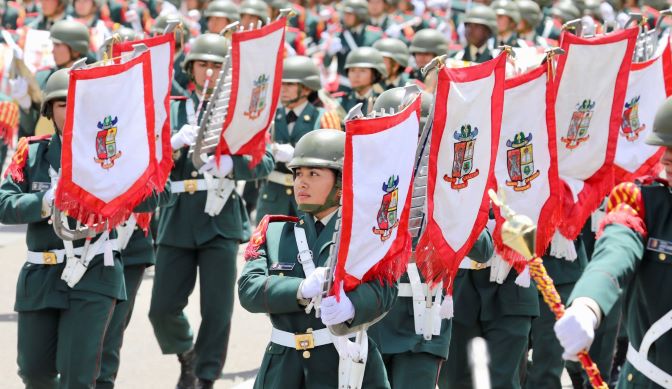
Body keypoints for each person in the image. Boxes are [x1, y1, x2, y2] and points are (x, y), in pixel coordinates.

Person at [148, 32, 274, 389]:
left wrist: (233, 166)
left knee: (217, 310)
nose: (210, 72)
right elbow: (143, 160)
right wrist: (169, 147)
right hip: (176, 214)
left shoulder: (242, 111)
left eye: (219, 66)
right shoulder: (171, 107)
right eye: (203, 64)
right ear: (191, 68)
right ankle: (186, 352)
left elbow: (262, 160)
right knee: (162, 308)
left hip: (219, 215)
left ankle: (205, 375)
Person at [238, 128, 395, 388]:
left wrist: (353, 306)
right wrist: (298, 289)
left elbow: (385, 288)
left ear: (342, 181)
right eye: (298, 173)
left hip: (343, 366)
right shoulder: (275, 232)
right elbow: (248, 290)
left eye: (313, 174)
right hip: (283, 369)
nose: (301, 182)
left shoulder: (366, 235)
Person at [0, 67, 126, 389]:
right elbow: (4, 203)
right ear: (49, 111)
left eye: (79, 104)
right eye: (62, 105)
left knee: (77, 377)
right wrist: (45, 201)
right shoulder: (32, 153)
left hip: (94, 270)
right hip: (42, 275)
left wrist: (121, 186)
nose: (71, 112)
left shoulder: (110, 153)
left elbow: (153, 197)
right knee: (34, 372)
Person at [367, 86, 495, 389]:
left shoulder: (452, 185)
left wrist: (445, 206)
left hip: (421, 322)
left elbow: (483, 249)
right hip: (369, 316)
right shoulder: (364, 179)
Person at [554, 96, 672, 388]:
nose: (666, 156)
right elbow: (616, 250)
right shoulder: (641, 201)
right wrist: (587, 304)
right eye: (665, 147)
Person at [255, 55, 338, 223]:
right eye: (282, 84)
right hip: (272, 198)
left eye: (290, 84)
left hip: (310, 200)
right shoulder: (267, 118)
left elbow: (333, 163)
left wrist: (297, 157)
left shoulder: (323, 118)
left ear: (307, 89)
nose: (283, 89)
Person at [337, 46, 387, 115]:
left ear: (375, 74)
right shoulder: (339, 103)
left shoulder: (383, 102)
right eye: (352, 70)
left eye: (362, 71)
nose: (356, 75)